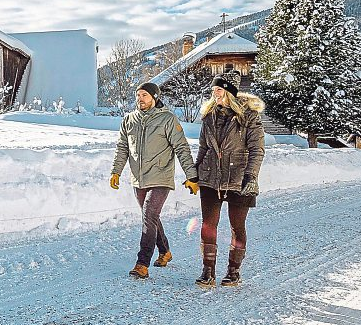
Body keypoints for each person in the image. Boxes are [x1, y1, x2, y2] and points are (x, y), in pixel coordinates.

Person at [110, 82, 200, 279]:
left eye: (144, 95)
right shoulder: (129, 120)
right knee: (150, 217)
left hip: (161, 176)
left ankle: (142, 263)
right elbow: (122, 147)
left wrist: (191, 176)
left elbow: (181, 147)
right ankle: (165, 251)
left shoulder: (167, 119)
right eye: (138, 95)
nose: (140, 99)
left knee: (149, 215)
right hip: (139, 178)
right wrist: (116, 171)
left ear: (155, 97)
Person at [193, 76, 266, 287]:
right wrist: (194, 174)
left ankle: (233, 271)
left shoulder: (248, 116)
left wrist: (251, 176)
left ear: (230, 92)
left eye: (219, 89)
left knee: (237, 226)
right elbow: (203, 148)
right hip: (210, 178)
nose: (214, 93)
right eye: (213, 89)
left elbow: (257, 150)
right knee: (208, 225)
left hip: (239, 178)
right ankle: (208, 271)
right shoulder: (209, 116)